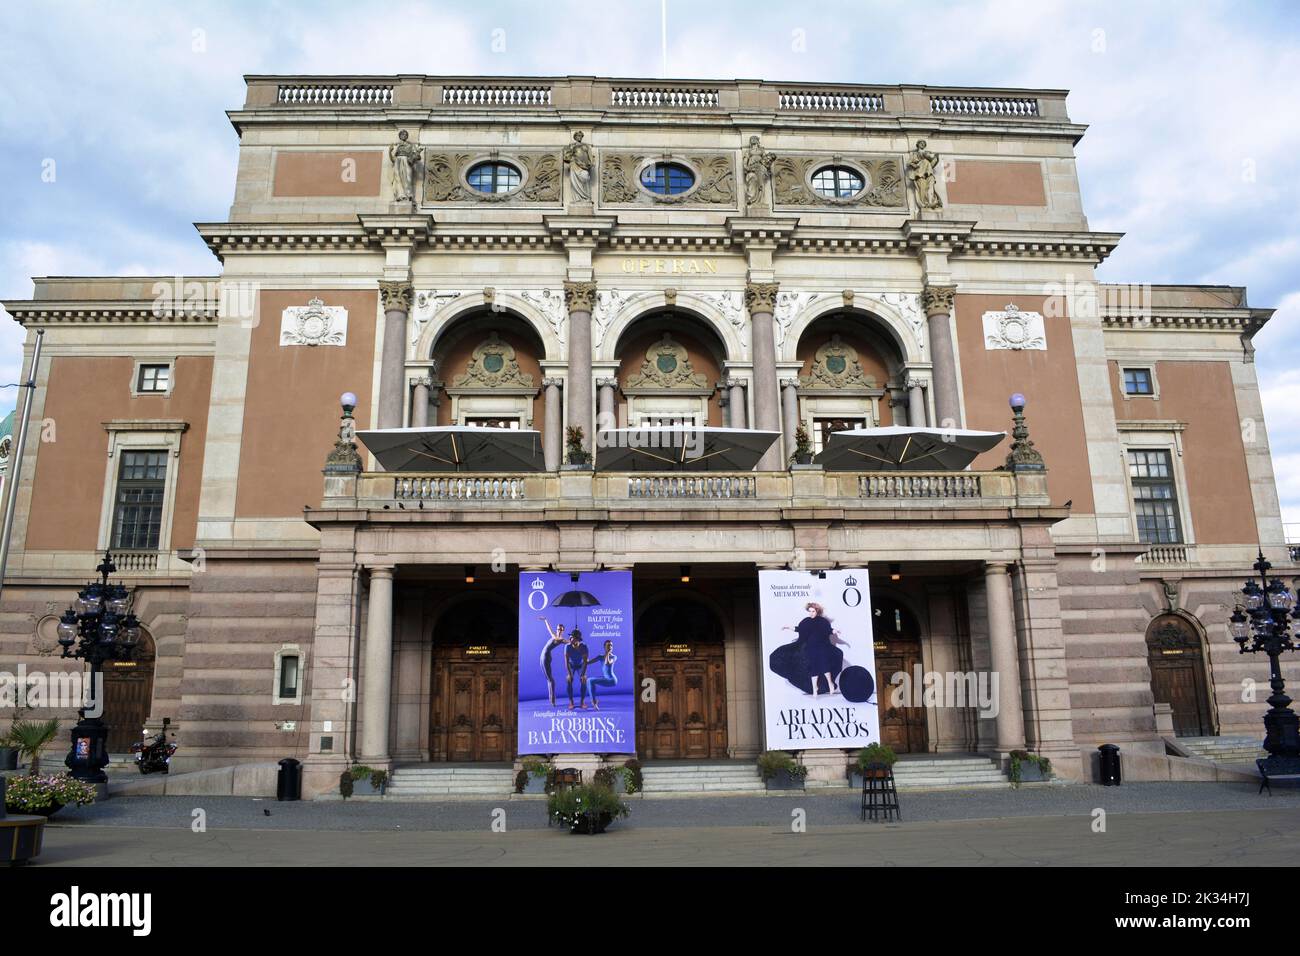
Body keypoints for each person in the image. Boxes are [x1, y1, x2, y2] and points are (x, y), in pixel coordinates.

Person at [538, 616, 567, 706]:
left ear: (563, 631)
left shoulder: (560, 639)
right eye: (558, 629)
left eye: (561, 629)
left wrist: (575, 637)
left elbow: (570, 642)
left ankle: (553, 700)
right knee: (548, 679)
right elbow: (549, 629)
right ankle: (551, 700)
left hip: (546, 657)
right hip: (542, 656)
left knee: (551, 680)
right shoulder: (554, 636)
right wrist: (546, 620)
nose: (559, 630)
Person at [587, 640, 618, 709]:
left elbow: (607, 663)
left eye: (611, 645)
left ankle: (594, 702)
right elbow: (588, 663)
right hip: (605, 678)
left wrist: (607, 653)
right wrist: (584, 658)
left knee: (591, 680)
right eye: (608, 645)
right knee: (590, 680)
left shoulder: (614, 657)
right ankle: (594, 701)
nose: (610, 647)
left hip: (612, 680)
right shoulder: (600, 657)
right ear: (604, 647)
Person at [564, 630, 591, 710]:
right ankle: (571, 702)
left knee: (584, 680)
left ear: (577, 639)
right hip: (571, 665)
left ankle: (582, 702)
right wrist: (569, 674)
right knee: (569, 680)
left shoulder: (584, 647)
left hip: (580, 665)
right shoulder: (567, 647)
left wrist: (583, 675)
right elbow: (566, 661)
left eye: (572, 637)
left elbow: (585, 662)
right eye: (570, 636)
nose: (570, 638)